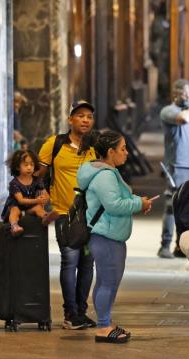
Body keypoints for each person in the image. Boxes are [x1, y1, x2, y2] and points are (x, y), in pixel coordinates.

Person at [77, 131, 153, 344]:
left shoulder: (105, 172)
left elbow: (119, 198)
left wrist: (139, 201)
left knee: (105, 282)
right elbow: (114, 204)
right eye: (122, 149)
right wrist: (139, 204)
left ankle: (106, 322)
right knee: (108, 283)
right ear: (110, 152)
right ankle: (103, 326)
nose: (126, 153)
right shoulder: (105, 175)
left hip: (108, 236)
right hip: (106, 236)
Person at [38, 100, 98, 330]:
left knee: (87, 263)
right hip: (64, 213)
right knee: (69, 260)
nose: (85, 120)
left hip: (91, 214)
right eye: (80, 115)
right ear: (70, 119)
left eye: (89, 116)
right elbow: (38, 174)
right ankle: (70, 313)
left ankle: (81, 312)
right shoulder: (55, 144)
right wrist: (42, 201)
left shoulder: (96, 146)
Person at [158, 79, 189, 259]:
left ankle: (181, 246)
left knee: (188, 208)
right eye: (184, 93)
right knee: (172, 205)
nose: (188, 97)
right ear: (175, 94)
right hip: (177, 165)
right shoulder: (169, 111)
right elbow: (183, 119)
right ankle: (165, 245)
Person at [0, 150, 59, 236]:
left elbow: (44, 193)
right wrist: (37, 200)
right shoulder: (14, 183)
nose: (29, 167)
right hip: (15, 207)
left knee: (38, 208)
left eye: (32, 164)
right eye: (26, 165)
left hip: (29, 208)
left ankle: (45, 217)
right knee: (14, 211)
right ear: (17, 167)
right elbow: (21, 200)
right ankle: (14, 226)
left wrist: (45, 198)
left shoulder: (37, 180)